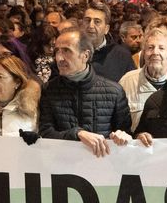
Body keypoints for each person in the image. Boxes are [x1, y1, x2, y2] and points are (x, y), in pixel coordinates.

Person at [37, 29, 130, 157]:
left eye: (66, 51)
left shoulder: (114, 92)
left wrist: (122, 136)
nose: (59, 58)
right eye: (57, 51)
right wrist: (77, 134)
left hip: (102, 167)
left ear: (85, 55)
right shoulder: (49, 89)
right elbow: (45, 133)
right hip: (61, 167)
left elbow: (126, 133)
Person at [118, 28, 167, 131]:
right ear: (143, 52)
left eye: (161, 48)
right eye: (150, 48)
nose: (155, 52)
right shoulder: (127, 81)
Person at [83, 4, 135, 82]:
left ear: (106, 29)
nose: (91, 25)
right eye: (87, 20)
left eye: (97, 22)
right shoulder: (70, 51)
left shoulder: (122, 55)